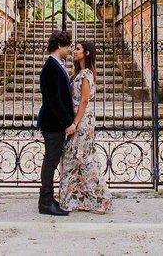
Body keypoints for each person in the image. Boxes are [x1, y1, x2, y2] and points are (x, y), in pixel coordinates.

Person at [59, 41, 112, 214]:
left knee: (82, 158)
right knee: (73, 158)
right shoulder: (77, 73)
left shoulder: (87, 74)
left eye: (78, 49)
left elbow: (84, 100)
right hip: (77, 119)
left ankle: (101, 199)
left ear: (87, 53)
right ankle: (77, 200)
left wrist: (75, 123)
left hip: (82, 122)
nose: (74, 51)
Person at [36, 29, 76, 216]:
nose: (70, 50)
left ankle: (49, 199)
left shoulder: (57, 64)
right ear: (59, 45)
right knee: (50, 162)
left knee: (51, 161)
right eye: (68, 46)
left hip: (56, 123)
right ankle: (45, 202)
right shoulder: (51, 67)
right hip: (53, 124)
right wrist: (68, 123)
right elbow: (54, 100)